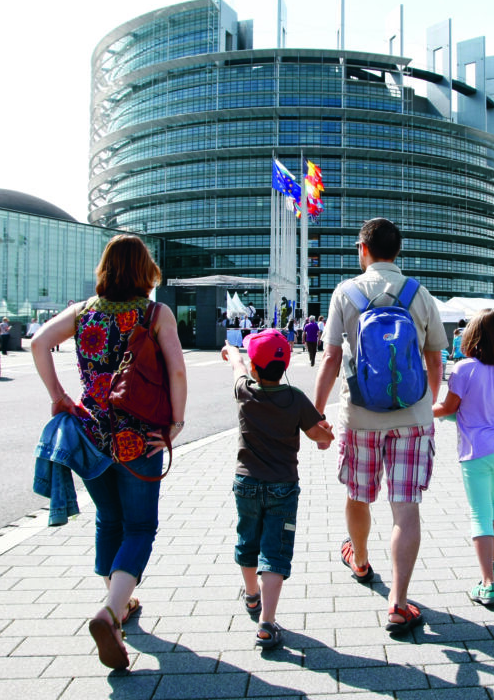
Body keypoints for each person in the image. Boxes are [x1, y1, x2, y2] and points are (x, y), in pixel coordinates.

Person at [31, 234, 187, 671]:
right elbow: (176, 367)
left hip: (92, 435)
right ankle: (112, 610)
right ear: (145, 270)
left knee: (108, 519)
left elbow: (38, 343)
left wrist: (59, 394)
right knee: (139, 526)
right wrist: (174, 423)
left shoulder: (83, 313)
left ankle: (116, 601)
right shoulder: (156, 313)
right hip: (140, 436)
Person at [314, 217, 447, 633]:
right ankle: (398, 603)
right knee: (405, 508)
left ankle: (361, 559)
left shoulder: (345, 293)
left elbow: (332, 359)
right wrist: (426, 404)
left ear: (363, 249)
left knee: (358, 494)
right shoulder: (419, 294)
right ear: (398, 251)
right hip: (412, 418)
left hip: (360, 417)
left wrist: (316, 414)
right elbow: (435, 360)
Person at [222, 329, 333, 649]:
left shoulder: (245, 390)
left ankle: (251, 595)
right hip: (283, 486)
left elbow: (237, 367)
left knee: (247, 541)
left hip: (246, 484)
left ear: (255, 367)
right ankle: (266, 623)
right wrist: (327, 436)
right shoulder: (295, 398)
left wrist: (231, 353)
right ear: (285, 366)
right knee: (274, 551)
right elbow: (318, 436)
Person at [432, 308, 494, 607]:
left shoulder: (464, 369)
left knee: (479, 513)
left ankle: (487, 584)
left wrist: (424, 413)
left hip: (477, 451)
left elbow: (449, 406)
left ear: (473, 336)